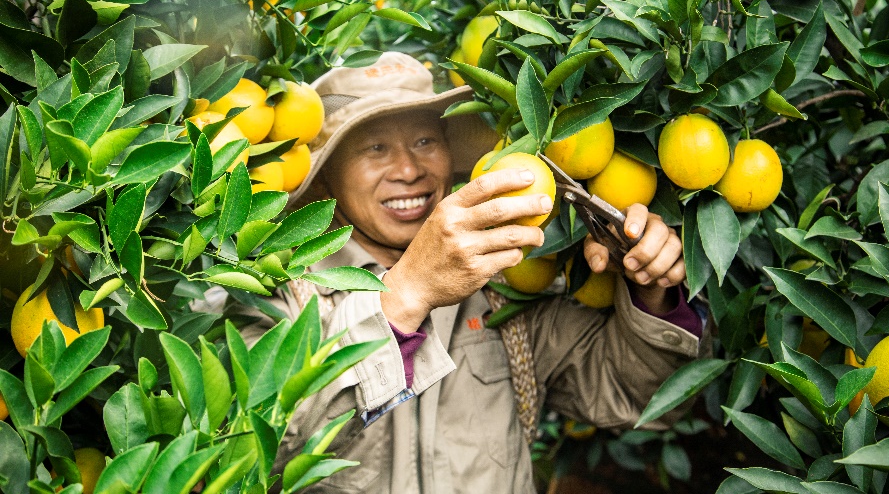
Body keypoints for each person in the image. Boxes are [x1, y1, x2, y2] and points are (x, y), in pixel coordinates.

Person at [228, 52, 710, 493]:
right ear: (328, 173)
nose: (409, 169)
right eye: (374, 147)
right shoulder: (278, 289)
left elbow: (635, 398)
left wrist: (652, 292)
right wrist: (406, 292)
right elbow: (252, 451)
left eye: (425, 140)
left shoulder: (504, 286)